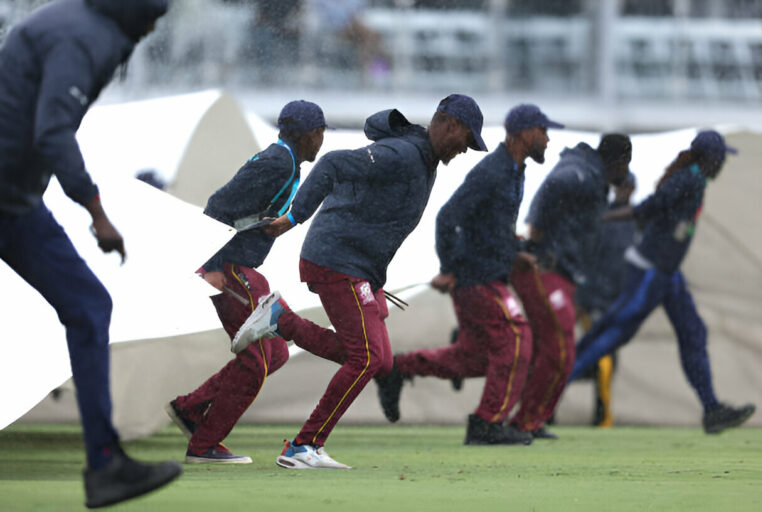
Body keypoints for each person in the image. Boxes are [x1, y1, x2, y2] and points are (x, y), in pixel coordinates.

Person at [240, 94, 488, 469]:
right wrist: (293, 218)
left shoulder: (423, 157)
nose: (465, 150)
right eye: (466, 140)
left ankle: (280, 319)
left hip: (356, 266)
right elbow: (331, 163)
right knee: (368, 356)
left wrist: (373, 276)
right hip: (337, 260)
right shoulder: (404, 155)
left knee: (379, 360)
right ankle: (303, 447)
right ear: (449, 124)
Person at [0, 0, 181, 508]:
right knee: (88, 306)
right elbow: (53, 130)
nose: (151, 30)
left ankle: (105, 466)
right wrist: (96, 210)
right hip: (10, 200)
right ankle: (104, 464)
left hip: (13, 203)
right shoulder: (88, 35)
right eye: (154, 18)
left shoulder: (73, 19)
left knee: (88, 305)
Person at [374, 104, 564, 446]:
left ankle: (399, 368)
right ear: (524, 133)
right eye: (543, 131)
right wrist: (449, 268)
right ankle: (486, 424)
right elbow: (448, 217)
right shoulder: (493, 171)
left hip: (488, 273)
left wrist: (514, 252)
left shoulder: (515, 169)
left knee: (473, 357)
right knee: (517, 336)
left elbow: (488, 226)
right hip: (477, 277)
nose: (548, 139)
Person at [164, 101, 328, 464]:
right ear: (306, 135)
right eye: (320, 133)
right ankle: (203, 445)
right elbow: (218, 206)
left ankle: (191, 409)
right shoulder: (277, 162)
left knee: (276, 352)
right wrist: (211, 265)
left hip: (244, 268)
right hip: (232, 268)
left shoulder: (284, 160)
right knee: (255, 362)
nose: (321, 141)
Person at [569, 130, 756, 434]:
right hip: (650, 270)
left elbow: (655, 214)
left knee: (693, 332)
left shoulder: (694, 179)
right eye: (721, 158)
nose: (723, 164)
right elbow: (649, 208)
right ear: (709, 158)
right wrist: (604, 218)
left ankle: (712, 409)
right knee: (614, 331)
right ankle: (552, 388)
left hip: (668, 274)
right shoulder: (689, 180)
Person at [506, 133, 633, 440]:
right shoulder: (583, 172)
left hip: (560, 273)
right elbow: (556, 186)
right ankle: (521, 420)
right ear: (618, 161)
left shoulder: (589, 171)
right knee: (559, 350)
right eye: (625, 165)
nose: (626, 173)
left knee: (551, 351)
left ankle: (529, 420)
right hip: (546, 269)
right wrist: (535, 231)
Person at [573, 172, 639, 427]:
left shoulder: (636, 220)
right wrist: (583, 296)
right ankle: (603, 417)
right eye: (621, 185)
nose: (625, 190)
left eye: (628, 186)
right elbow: (588, 258)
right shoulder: (603, 216)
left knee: (606, 357)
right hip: (595, 300)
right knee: (603, 357)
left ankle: (570, 388)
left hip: (618, 301)